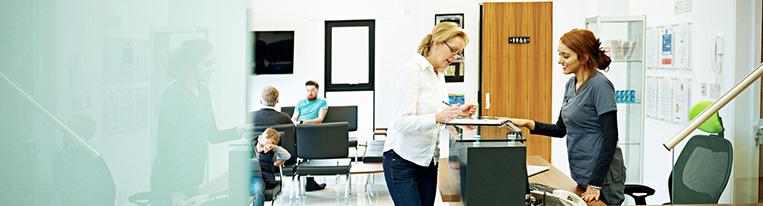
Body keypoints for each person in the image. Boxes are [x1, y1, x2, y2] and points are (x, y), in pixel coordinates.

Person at [507, 29, 626, 205]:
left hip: (602, 179)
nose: (559, 60)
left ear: (584, 57)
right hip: (582, 173)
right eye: (559, 54)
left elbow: (610, 137)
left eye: (565, 56)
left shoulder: (600, 86)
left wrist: (595, 184)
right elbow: (561, 129)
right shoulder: (571, 84)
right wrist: (528, 123)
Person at [383, 22, 476, 206]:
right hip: (402, 160)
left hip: (428, 160)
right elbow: (401, 122)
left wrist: (458, 118)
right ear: (438, 43)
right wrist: (438, 117)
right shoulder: (412, 71)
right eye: (454, 50)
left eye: (459, 53)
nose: (455, 57)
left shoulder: (438, 74)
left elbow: (437, 113)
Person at [151, 39, 247, 206]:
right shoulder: (173, 94)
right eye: (207, 64)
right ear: (189, 66)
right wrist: (175, 190)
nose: (213, 68)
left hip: (193, 179)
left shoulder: (203, 92)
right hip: (171, 184)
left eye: (213, 63)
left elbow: (213, 135)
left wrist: (240, 130)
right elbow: (165, 146)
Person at [290, 80, 328, 191]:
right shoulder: (300, 103)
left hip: (312, 130)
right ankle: (309, 181)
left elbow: (320, 119)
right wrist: (296, 123)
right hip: (299, 130)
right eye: (308, 90)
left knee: (306, 144)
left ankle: (309, 181)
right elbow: (293, 118)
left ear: (317, 90)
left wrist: (306, 122)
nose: (310, 93)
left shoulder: (322, 102)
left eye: (312, 90)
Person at [250, 128, 291, 206]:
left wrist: (274, 147)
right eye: (266, 138)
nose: (263, 147)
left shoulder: (272, 152)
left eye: (271, 141)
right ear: (260, 137)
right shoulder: (249, 146)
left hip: (259, 178)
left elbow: (287, 155)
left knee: (258, 190)